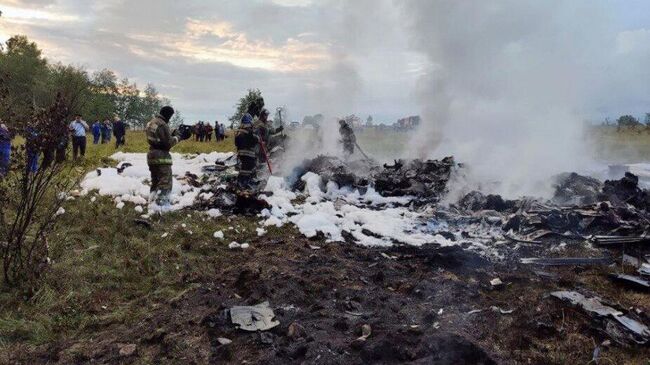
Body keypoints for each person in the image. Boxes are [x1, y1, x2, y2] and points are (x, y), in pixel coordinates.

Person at [146, 106, 189, 207]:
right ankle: (161, 206)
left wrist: (171, 133)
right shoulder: (163, 125)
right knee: (165, 182)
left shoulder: (151, 122)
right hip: (161, 157)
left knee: (155, 181)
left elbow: (158, 137)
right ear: (168, 115)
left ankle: (151, 202)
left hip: (151, 155)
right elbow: (167, 143)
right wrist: (179, 137)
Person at [235, 114, 259, 188]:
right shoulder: (249, 132)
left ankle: (241, 182)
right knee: (248, 170)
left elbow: (236, 143)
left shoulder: (239, 132)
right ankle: (245, 184)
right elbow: (254, 140)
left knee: (244, 169)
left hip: (241, 155)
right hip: (249, 156)